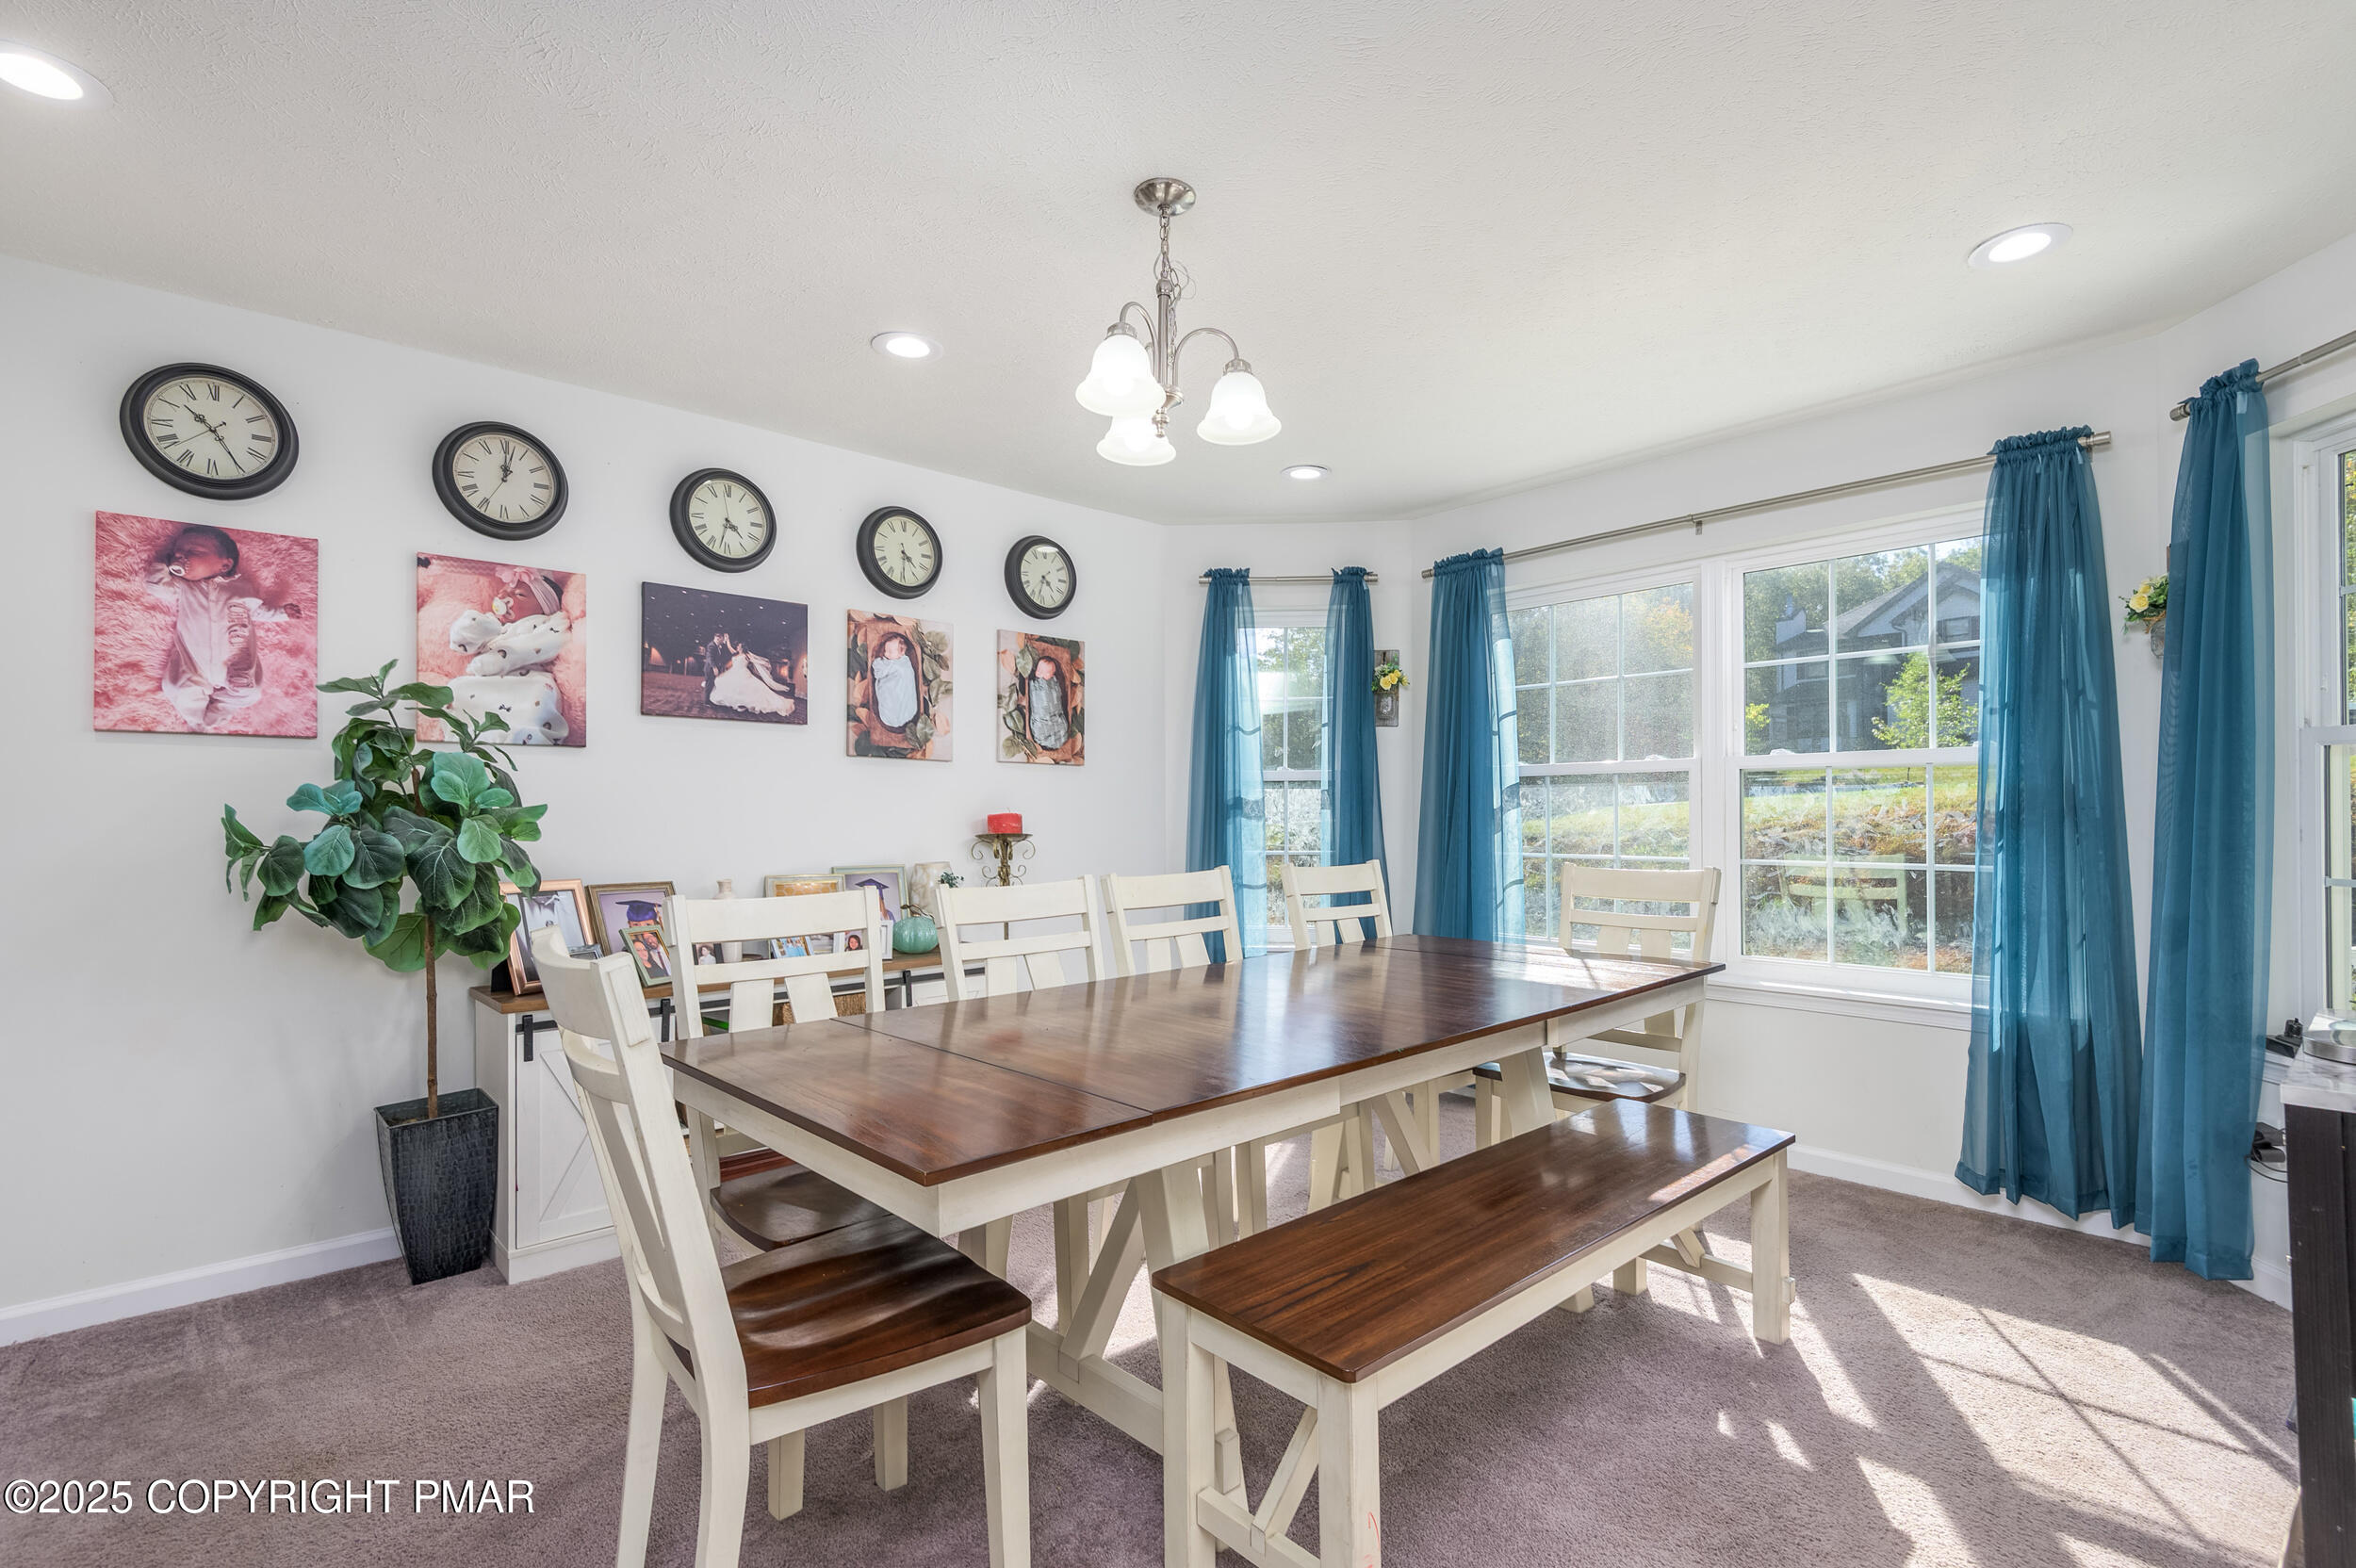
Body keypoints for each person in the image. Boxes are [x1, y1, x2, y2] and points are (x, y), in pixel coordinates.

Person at [141, 524, 302, 730]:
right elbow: (155, 587)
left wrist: (280, 614)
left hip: (234, 662)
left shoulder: (242, 587)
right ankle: (197, 722)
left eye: (193, 551)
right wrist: (164, 562)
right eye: (177, 552)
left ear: (224, 565)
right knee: (175, 687)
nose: (182, 556)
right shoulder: (184, 586)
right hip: (193, 662)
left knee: (250, 692)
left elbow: (254, 612)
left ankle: (215, 715)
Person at [709, 638, 796, 717]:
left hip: (743, 673)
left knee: (748, 690)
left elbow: (756, 660)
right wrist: (727, 641)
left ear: (742, 647)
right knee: (725, 683)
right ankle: (739, 704)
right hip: (734, 673)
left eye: (738, 646)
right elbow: (731, 649)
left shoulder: (747, 655)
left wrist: (764, 663)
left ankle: (743, 705)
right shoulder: (735, 654)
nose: (737, 647)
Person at [871, 631, 919, 730]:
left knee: (900, 696)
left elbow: (881, 672)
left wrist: (878, 664)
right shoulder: (892, 661)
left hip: (900, 694)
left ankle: (898, 714)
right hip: (892, 694)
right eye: (885, 650)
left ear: (901, 653)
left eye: (890, 651)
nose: (886, 654)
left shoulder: (903, 663)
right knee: (891, 697)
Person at [1027, 655, 1070, 750]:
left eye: (1053, 673)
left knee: (1061, 723)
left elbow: (1058, 698)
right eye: (1050, 673)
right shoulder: (1036, 686)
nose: (1053, 675)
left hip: (1055, 717)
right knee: (1044, 723)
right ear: (1038, 673)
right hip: (1043, 724)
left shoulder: (1054, 684)